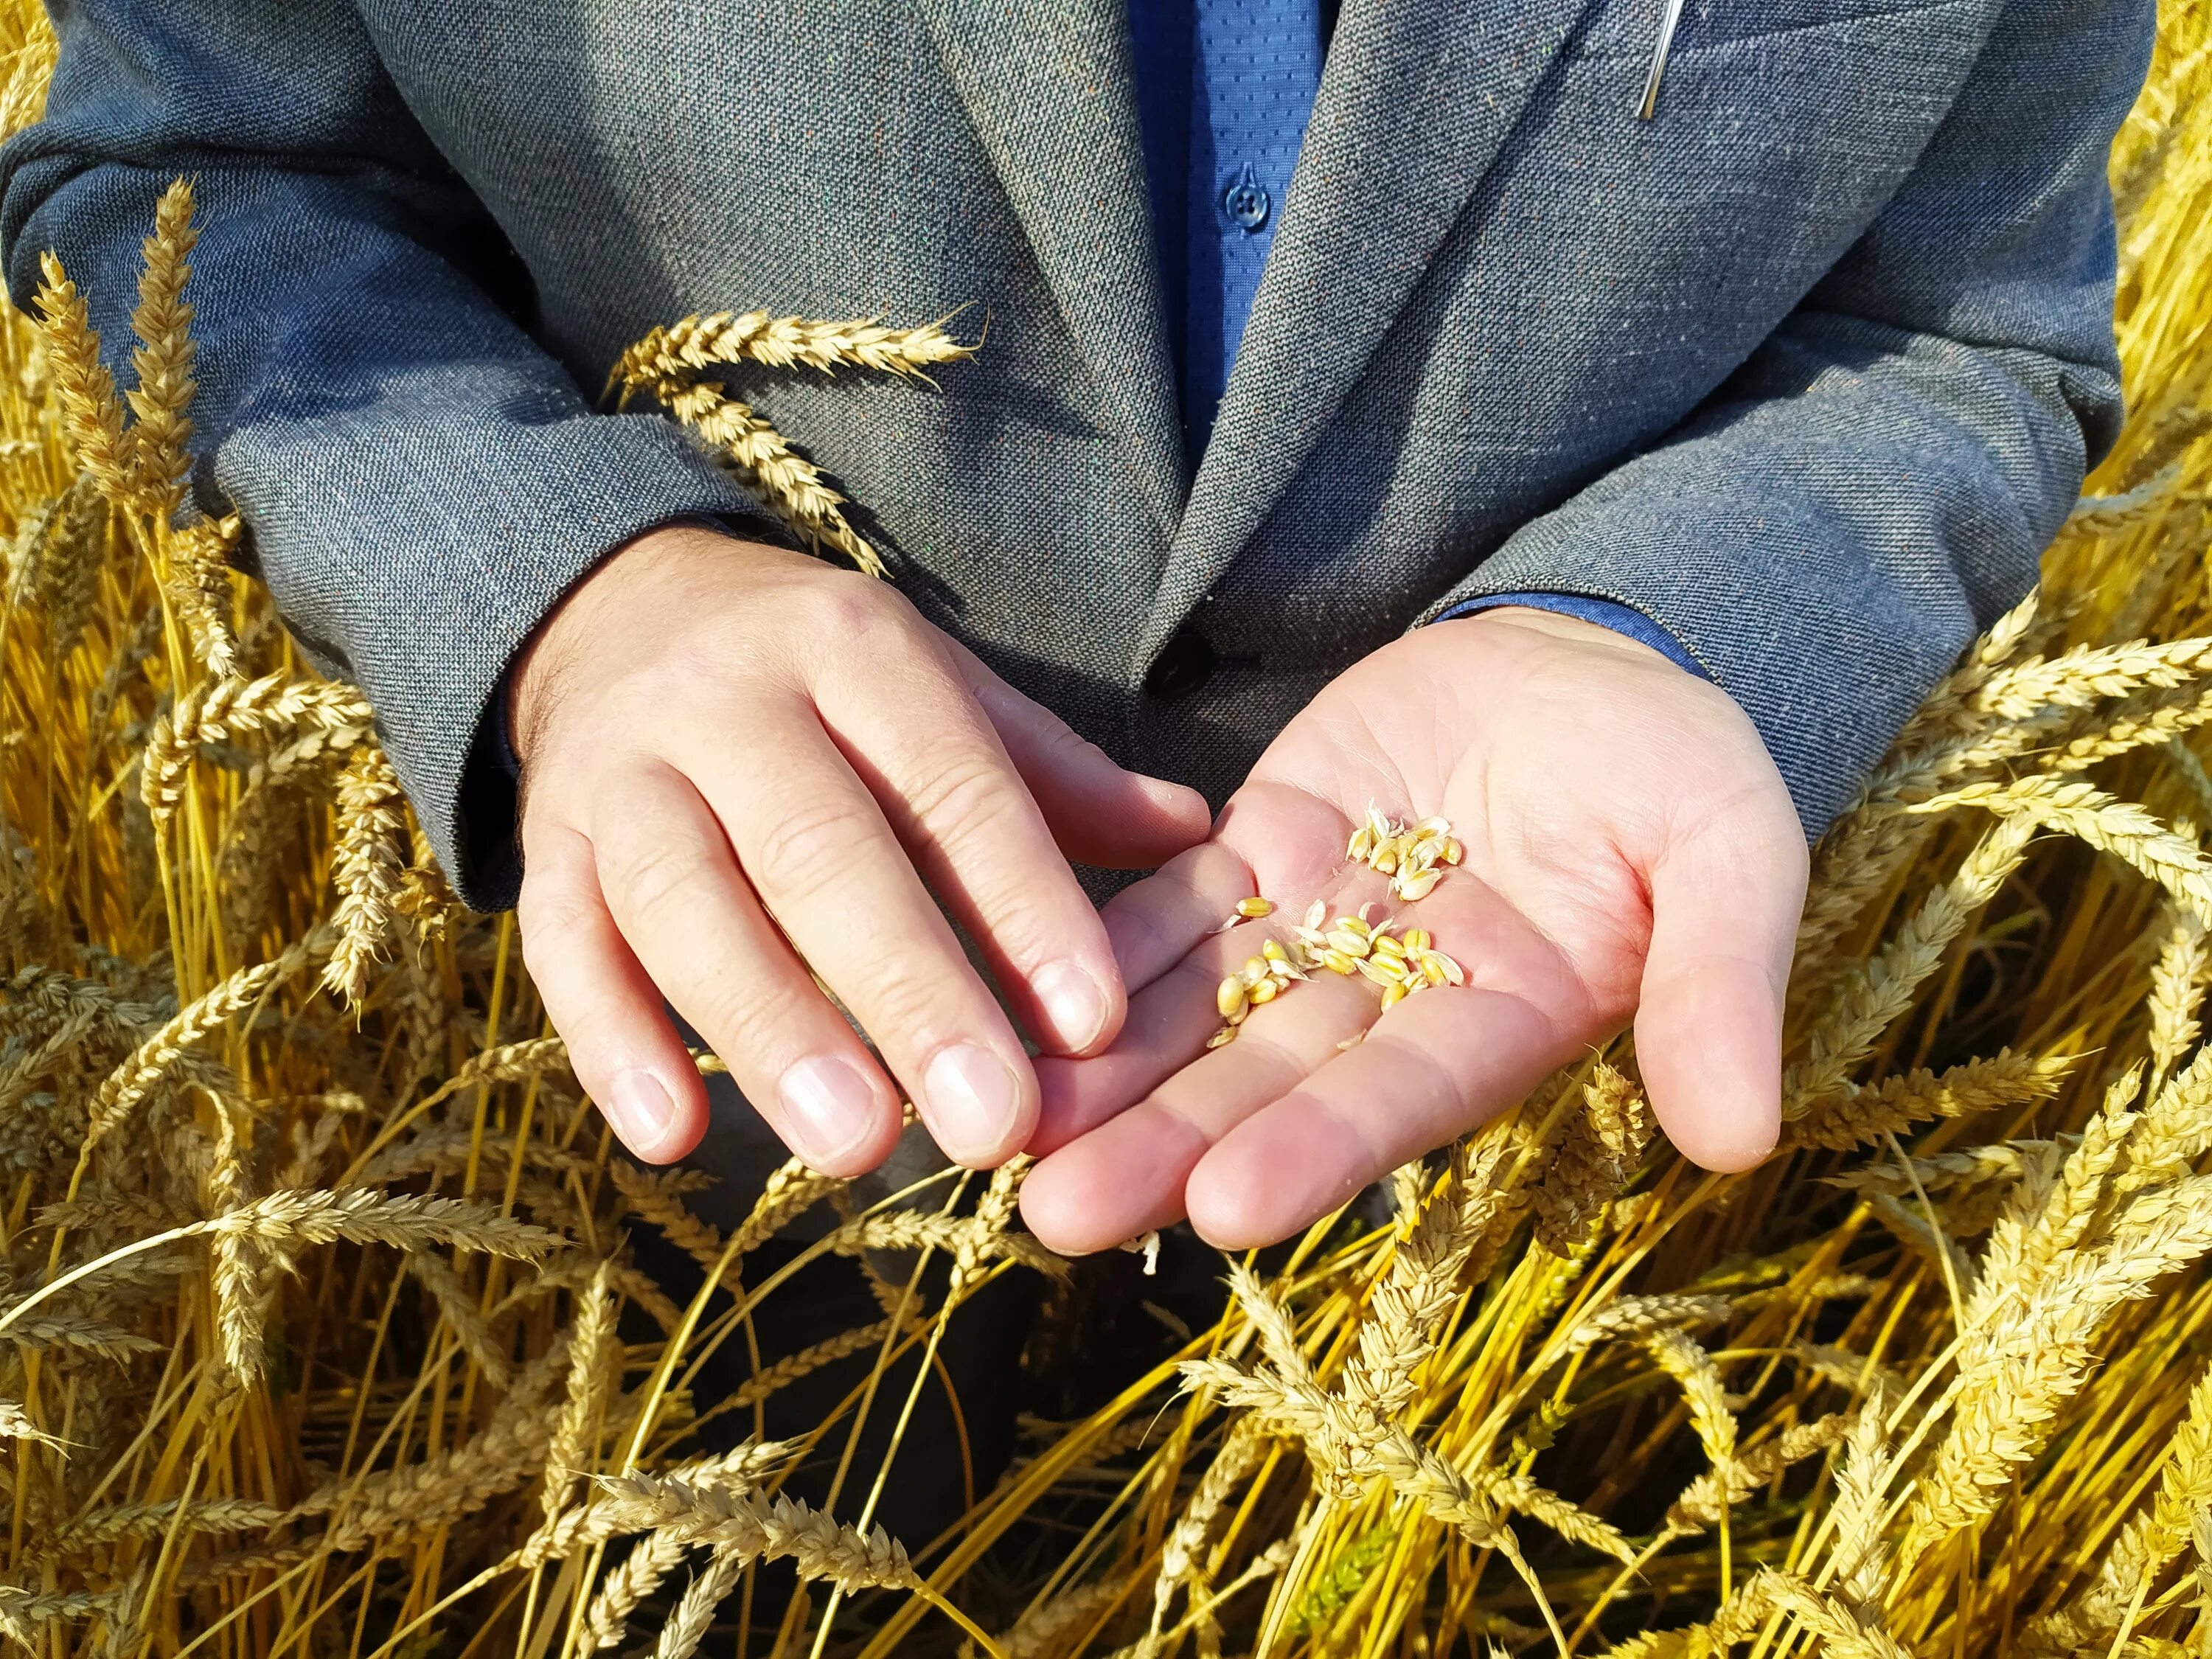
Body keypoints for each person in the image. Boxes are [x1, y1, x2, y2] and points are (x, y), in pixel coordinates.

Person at [2, 0, 2151, 1263]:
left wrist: (1650, 622)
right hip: (667, 1103)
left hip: (1539, 1167)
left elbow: (1963, 330)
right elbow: (184, 173)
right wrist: (571, 593)